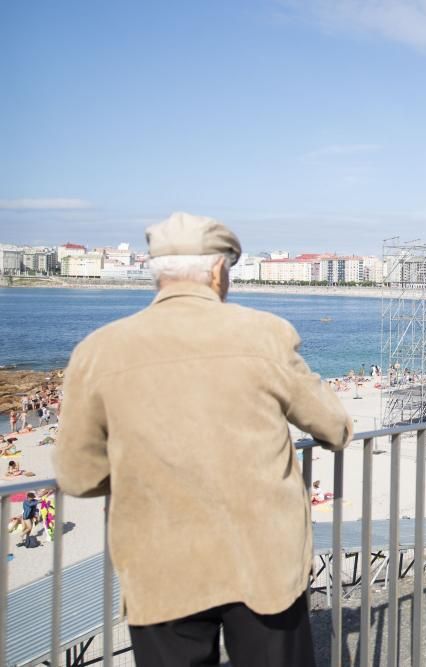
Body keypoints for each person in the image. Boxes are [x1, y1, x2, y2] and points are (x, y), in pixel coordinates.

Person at [56, 212, 354, 667]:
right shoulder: (265, 335)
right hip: (263, 560)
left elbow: (78, 477)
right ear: (218, 272)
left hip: (159, 563)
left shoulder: (98, 350)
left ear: (156, 273)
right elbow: (335, 428)